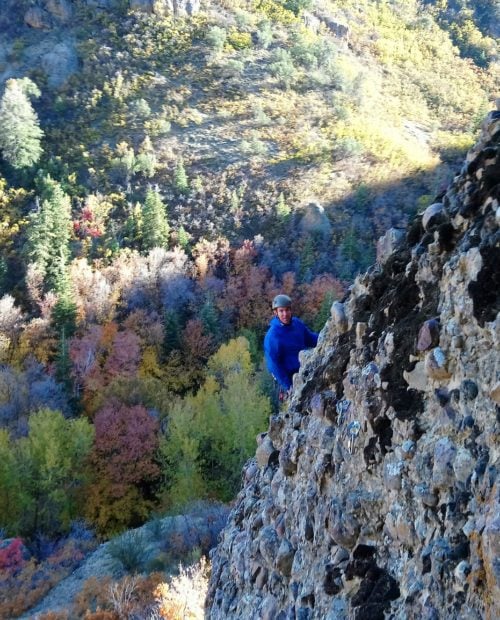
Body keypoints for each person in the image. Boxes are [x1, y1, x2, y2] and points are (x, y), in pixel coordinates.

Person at [264, 294, 318, 399]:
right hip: (288, 379)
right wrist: (289, 387)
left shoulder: (297, 324)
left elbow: (310, 339)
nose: (285, 314)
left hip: (304, 371)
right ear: (276, 312)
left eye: (287, 310)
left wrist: (326, 336)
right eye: (281, 311)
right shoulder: (272, 337)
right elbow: (274, 366)